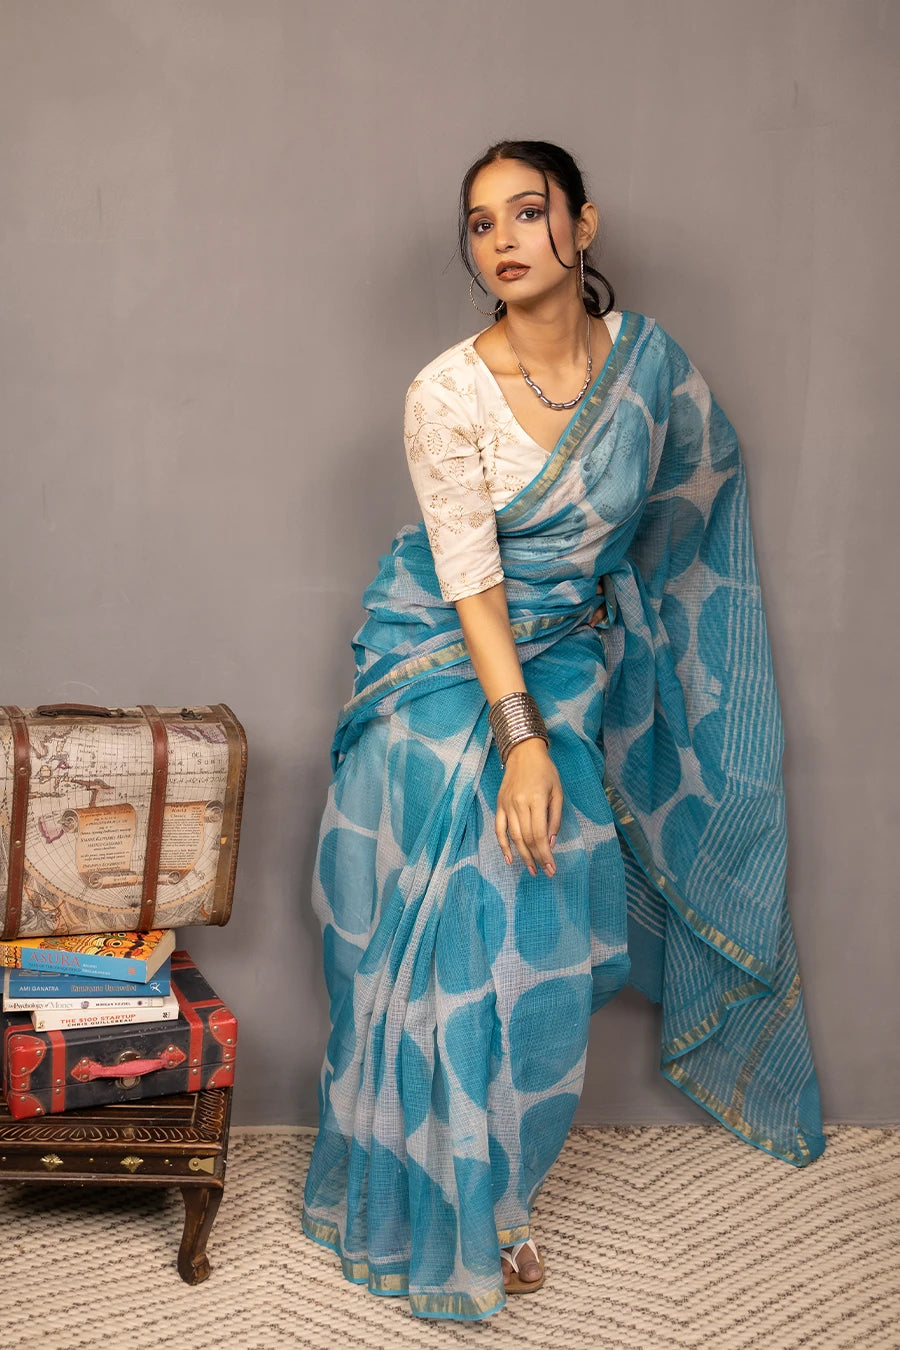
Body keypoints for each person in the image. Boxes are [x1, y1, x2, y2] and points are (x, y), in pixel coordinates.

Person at [301, 140, 826, 1322]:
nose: (503, 240)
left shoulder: (650, 372)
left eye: (527, 213)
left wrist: (639, 667)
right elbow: (472, 582)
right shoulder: (445, 391)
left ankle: (501, 1173)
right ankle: (460, 1195)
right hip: (446, 653)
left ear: (582, 226)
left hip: (577, 652)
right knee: (482, 854)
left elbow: (696, 508)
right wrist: (522, 740)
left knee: (539, 890)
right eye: (480, 224)